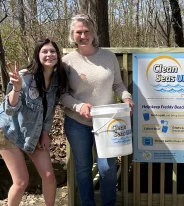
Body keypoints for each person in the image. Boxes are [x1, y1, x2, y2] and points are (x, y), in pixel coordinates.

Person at [60, 14, 134, 206]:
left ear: (93, 34)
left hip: (107, 122)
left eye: (86, 31)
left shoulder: (108, 57)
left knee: (107, 168)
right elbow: (61, 94)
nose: (83, 35)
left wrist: (126, 97)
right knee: (83, 169)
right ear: (72, 35)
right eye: (78, 32)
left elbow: (118, 85)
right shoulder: (66, 61)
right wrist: (79, 106)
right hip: (77, 123)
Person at [0, 38, 67, 206]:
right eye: (44, 51)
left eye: (53, 51)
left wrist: (45, 133)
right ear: (37, 55)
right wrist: (16, 87)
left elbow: (50, 109)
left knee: (48, 176)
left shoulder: (56, 81)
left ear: (58, 55)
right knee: (21, 181)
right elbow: (10, 109)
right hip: (8, 131)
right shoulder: (24, 77)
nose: (49, 55)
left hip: (33, 132)